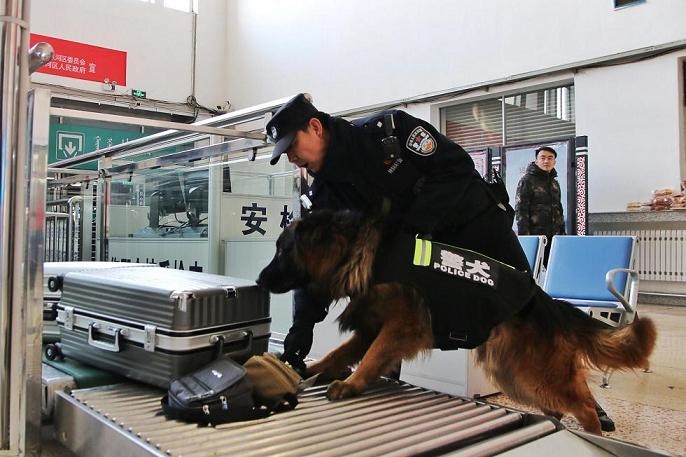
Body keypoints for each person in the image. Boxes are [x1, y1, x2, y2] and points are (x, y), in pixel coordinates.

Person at [514, 146, 566, 265]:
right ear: (537, 161)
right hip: (536, 237)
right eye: (542, 158)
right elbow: (521, 210)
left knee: (554, 267)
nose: (546, 161)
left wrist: (562, 234)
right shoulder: (527, 181)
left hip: (555, 237)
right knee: (533, 268)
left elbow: (559, 210)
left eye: (550, 158)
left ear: (554, 162)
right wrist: (526, 239)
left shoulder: (554, 183)